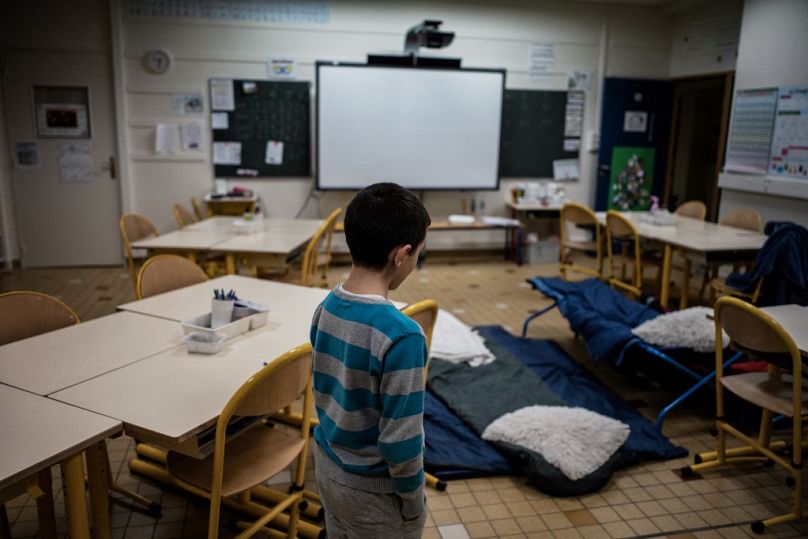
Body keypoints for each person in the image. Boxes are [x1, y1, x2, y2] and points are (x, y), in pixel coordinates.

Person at [310, 182, 431, 538]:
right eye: (417, 254)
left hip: (328, 470)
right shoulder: (402, 336)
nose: (415, 262)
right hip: (375, 495)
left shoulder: (325, 307)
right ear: (401, 254)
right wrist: (413, 503)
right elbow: (401, 441)